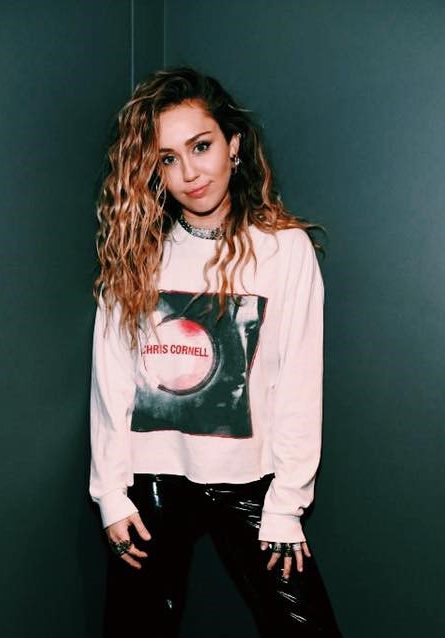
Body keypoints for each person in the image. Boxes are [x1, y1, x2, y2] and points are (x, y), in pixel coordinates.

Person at [89, 67, 342, 637]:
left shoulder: (285, 249)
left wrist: (287, 502)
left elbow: (299, 381)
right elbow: (111, 378)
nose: (189, 172)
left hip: (251, 479)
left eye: (201, 146)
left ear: (233, 144)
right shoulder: (139, 251)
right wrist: (110, 493)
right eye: (167, 158)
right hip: (152, 478)